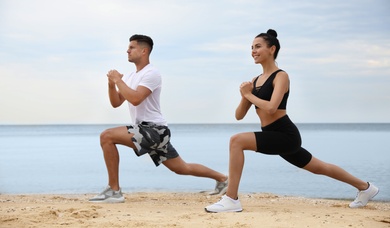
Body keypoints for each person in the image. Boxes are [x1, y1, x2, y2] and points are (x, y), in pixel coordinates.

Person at [205, 29, 379, 213]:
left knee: (236, 141)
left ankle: (231, 199)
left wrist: (249, 94)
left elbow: (272, 107)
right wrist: (244, 95)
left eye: (258, 47)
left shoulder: (281, 76)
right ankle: (366, 188)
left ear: (272, 49)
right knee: (320, 167)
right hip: (272, 134)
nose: (253, 51)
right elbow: (239, 116)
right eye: (251, 48)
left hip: (285, 134)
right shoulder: (255, 80)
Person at [89, 34, 228, 203]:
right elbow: (116, 102)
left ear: (144, 51)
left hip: (153, 130)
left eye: (131, 47)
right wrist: (112, 85)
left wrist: (118, 80)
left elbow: (135, 98)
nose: (127, 50)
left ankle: (114, 190)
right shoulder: (131, 77)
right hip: (150, 131)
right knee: (181, 168)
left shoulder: (152, 73)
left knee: (107, 136)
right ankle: (223, 179)